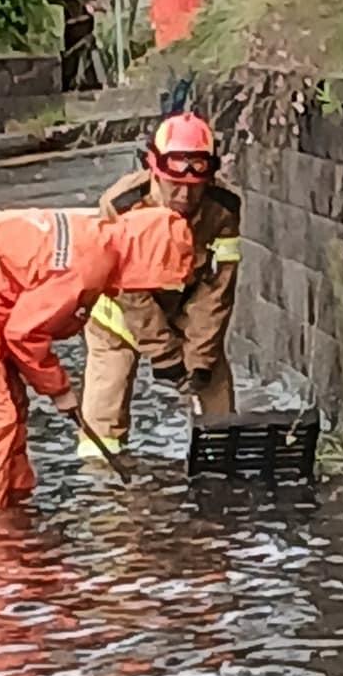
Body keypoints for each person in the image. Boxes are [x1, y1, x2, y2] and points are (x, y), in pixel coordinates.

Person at [0, 205, 194, 513]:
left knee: (12, 409)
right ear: (147, 260)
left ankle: (15, 501)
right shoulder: (87, 264)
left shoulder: (93, 242)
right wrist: (59, 389)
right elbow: (24, 334)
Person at [79, 113, 241, 458]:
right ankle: (100, 484)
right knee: (103, 411)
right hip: (117, 317)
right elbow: (128, 290)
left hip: (184, 307)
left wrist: (198, 358)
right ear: (154, 169)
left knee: (213, 381)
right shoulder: (121, 205)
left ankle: (220, 457)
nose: (185, 194)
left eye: (196, 185)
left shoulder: (223, 208)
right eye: (174, 183)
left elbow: (217, 288)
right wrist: (165, 355)